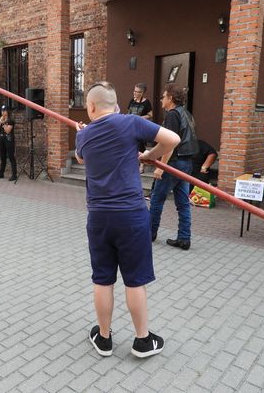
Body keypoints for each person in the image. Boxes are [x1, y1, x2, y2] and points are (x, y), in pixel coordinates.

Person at [75, 81, 180, 358]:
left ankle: (104, 338)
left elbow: (81, 158)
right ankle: (143, 341)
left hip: (99, 217)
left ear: (91, 106)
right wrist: (149, 156)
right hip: (131, 216)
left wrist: (82, 133)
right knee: (134, 280)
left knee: (102, 279)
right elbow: (172, 139)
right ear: (117, 105)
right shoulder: (131, 122)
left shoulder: (84, 136)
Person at [150, 85, 198, 251]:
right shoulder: (186, 114)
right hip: (186, 163)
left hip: (173, 163)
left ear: (170, 98)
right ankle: (184, 238)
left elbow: (168, 144)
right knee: (183, 203)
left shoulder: (172, 115)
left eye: (163, 97)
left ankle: (149, 233)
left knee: (157, 199)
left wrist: (161, 167)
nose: (161, 100)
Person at [127, 83, 153, 173]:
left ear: (142, 93)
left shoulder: (146, 102)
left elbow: (150, 115)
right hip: (131, 126)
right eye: (134, 91)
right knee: (131, 144)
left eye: (138, 92)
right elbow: (129, 112)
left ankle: (142, 165)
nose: (135, 93)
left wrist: (139, 118)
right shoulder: (132, 101)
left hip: (141, 126)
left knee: (140, 145)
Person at [0, 105, 17, 181]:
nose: (3, 112)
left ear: (8, 111)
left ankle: (14, 175)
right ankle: (1, 173)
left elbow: (7, 131)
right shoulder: (1, 120)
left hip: (9, 139)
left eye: (4, 111)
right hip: (1, 139)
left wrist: (3, 123)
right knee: (2, 157)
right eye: (2, 111)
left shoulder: (10, 121)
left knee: (11, 157)